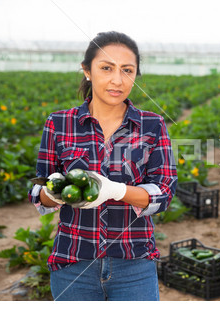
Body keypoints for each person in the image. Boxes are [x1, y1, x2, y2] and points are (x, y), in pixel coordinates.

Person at [28, 31, 177, 301]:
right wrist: (52, 193)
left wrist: (116, 191)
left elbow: (164, 192)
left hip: (134, 264)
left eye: (127, 70)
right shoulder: (59, 123)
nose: (117, 80)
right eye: (106, 68)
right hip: (73, 263)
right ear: (87, 71)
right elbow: (38, 187)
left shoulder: (152, 125)